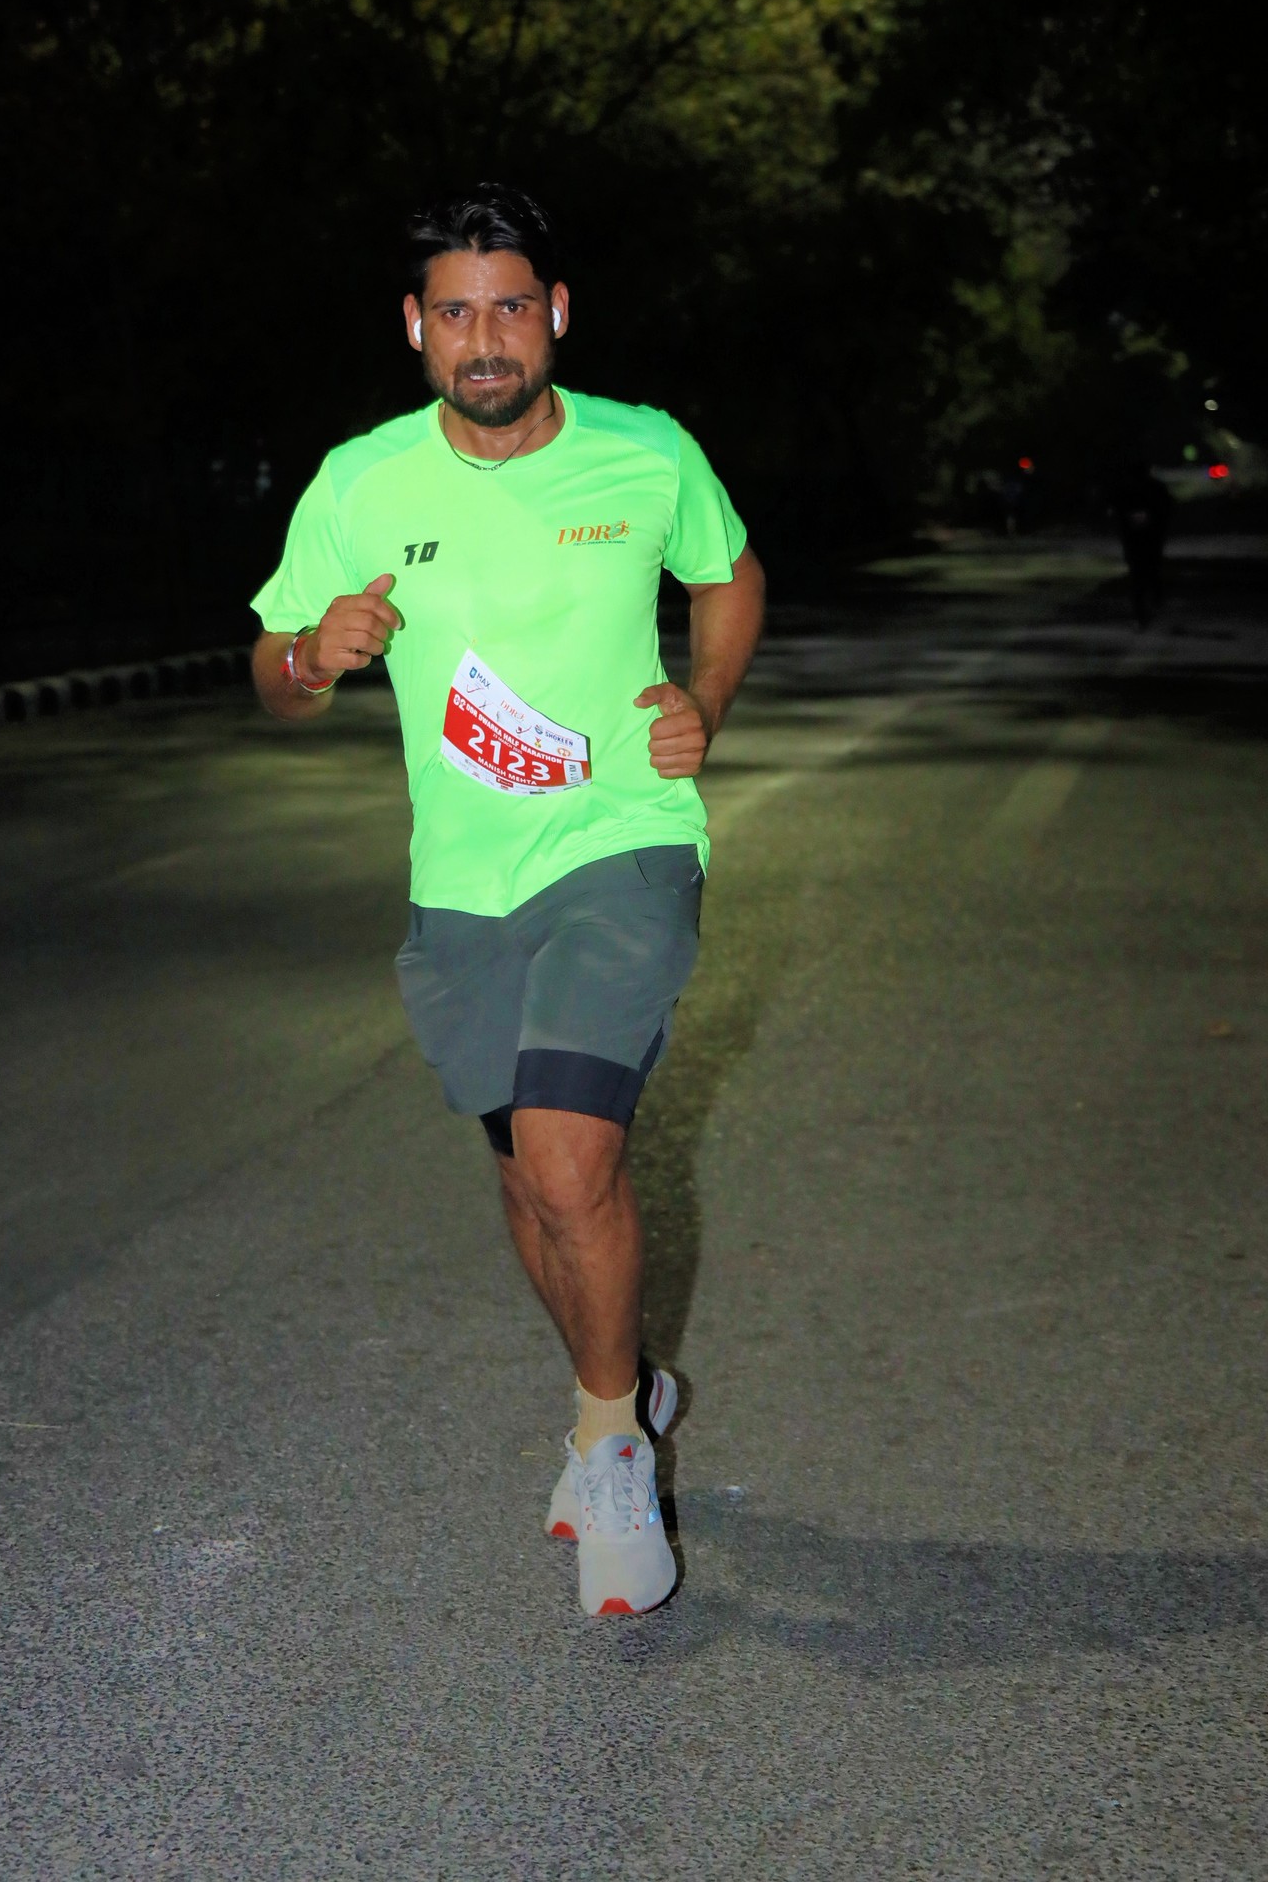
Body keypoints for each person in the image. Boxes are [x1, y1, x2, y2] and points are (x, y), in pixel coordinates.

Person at [250, 183, 765, 1615]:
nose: (487, 339)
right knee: (529, 1182)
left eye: (513, 308)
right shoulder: (360, 481)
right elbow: (272, 667)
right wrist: (311, 659)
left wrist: (706, 702)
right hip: (463, 887)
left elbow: (730, 577)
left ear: (558, 315)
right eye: (457, 312)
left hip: (623, 846)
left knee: (570, 1158)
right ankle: (623, 1382)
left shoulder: (645, 452)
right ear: (416, 327)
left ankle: (610, 1449)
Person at [1109, 461, 1172, 627]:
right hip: (1143, 538)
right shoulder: (1150, 488)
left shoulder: (1129, 489)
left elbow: (1166, 509)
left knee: (1141, 573)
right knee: (1146, 571)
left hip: (1143, 538)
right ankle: (1146, 606)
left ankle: (1145, 606)